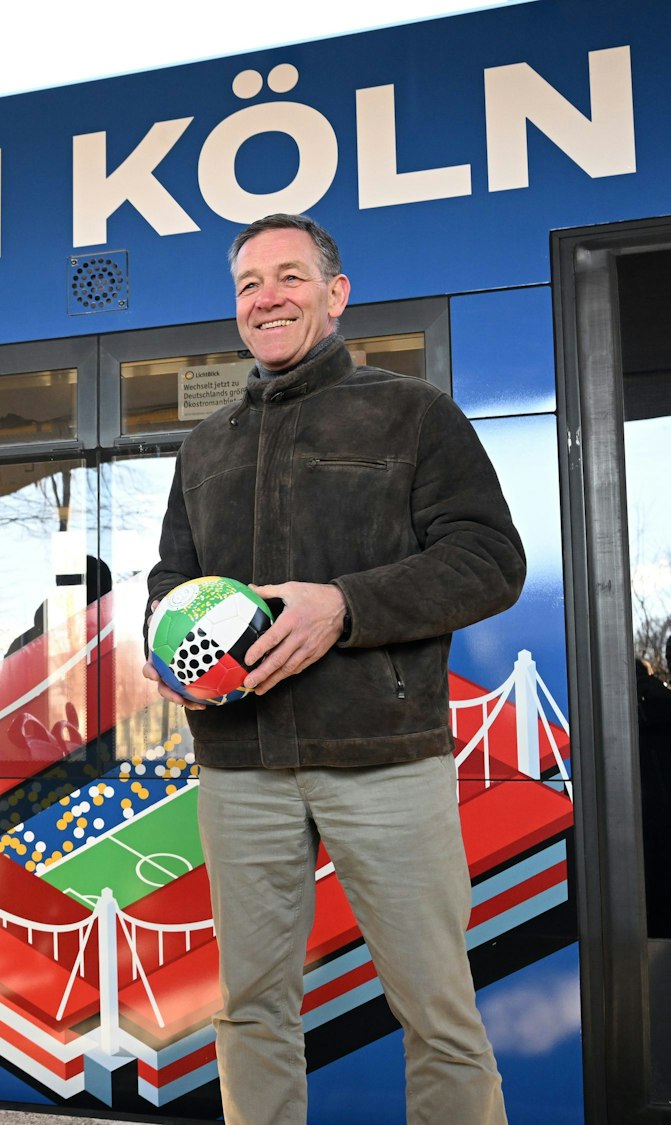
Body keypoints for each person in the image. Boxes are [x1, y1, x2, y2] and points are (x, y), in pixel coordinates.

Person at [145, 213, 525, 1125]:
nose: (266, 297)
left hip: (386, 755)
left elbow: (489, 560)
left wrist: (342, 606)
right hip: (240, 765)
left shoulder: (414, 412)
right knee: (250, 1009)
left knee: (437, 1009)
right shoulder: (205, 448)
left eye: (288, 276)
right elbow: (171, 580)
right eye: (248, 284)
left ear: (336, 293)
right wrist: (164, 647)